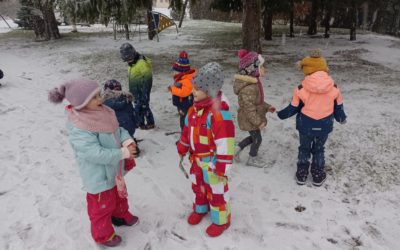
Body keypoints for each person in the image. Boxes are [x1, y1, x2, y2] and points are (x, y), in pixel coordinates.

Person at [48, 79, 139, 247]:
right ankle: (103, 234)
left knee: (119, 195)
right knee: (101, 206)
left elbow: (117, 129)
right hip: (98, 176)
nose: (101, 99)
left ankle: (120, 215)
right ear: (81, 103)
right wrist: (122, 153)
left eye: (99, 94)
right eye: (95, 97)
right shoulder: (80, 126)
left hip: (114, 168)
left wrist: (127, 141)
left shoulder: (104, 112)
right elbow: (93, 153)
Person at [176, 62, 235, 237]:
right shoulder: (193, 110)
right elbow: (187, 131)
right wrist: (183, 146)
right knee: (198, 187)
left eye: (197, 89)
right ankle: (200, 208)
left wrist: (222, 166)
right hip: (196, 160)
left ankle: (221, 219)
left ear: (209, 90)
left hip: (212, 162)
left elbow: (226, 142)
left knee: (216, 191)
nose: (193, 92)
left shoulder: (218, 114)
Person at [277, 49, 347, 186]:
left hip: (305, 125)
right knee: (319, 148)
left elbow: (293, 107)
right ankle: (318, 174)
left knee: (304, 148)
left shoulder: (301, 88)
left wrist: (281, 114)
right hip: (324, 125)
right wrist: (341, 118)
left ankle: (302, 174)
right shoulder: (334, 88)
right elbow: (338, 107)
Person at [233, 49, 276, 168]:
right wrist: (258, 122)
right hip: (249, 118)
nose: (265, 69)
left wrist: (267, 107)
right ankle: (252, 158)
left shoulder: (254, 84)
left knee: (254, 137)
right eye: (262, 67)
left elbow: (257, 101)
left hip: (252, 116)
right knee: (257, 139)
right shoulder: (249, 88)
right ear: (253, 69)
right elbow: (249, 108)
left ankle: (237, 149)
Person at [120, 43, 155, 130]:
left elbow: (148, 79)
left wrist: (145, 93)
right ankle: (140, 122)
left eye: (130, 59)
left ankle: (150, 122)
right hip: (135, 91)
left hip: (143, 90)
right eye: (127, 60)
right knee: (137, 106)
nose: (128, 61)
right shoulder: (132, 64)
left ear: (134, 54)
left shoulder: (141, 63)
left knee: (144, 106)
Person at [102, 79, 140, 156]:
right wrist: (136, 122)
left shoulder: (105, 102)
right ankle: (132, 146)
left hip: (117, 127)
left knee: (118, 137)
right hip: (129, 125)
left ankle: (123, 148)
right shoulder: (126, 99)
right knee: (128, 135)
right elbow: (132, 112)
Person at [168, 51, 196, 130]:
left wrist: (173, 89)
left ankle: (185, 139)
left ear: (181, 72)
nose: (174, 73)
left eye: (175, 71)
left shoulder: (187, 80)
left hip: (186, 106)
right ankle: (184, 137)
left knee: (185, 123)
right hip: (181, 104)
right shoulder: (181, 79)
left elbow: (184, 92)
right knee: (183, 120)